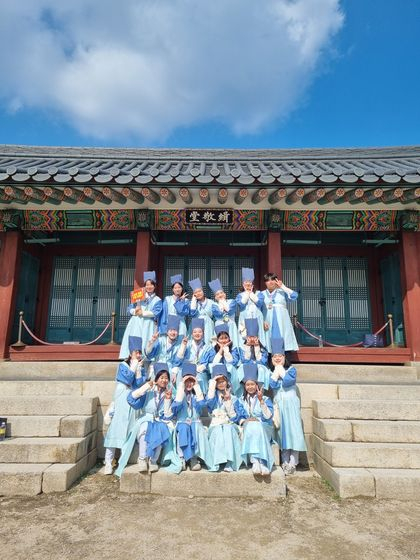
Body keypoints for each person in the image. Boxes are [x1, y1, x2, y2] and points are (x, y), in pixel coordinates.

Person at [115, 362, 179, 477]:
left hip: (160, 420)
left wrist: (168, 400)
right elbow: (131, 399)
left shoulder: (169, 393)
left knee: (162, 430)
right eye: (161, 377)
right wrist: (146, 386)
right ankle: (142, 459)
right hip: (146, 418)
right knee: (144, 429)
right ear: (156, 378)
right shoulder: (148, 391)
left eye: (166, 378)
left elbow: (168, 415)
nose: (164, 380)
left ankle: (153, 460)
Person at [103, 336, 146, 475]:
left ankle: (122, 460)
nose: (138, 355)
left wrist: (139, 370)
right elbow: (127, 379)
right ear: (130, 353)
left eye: (139, 352)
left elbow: (139, 384)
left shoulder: (140, 366)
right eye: (135, 352)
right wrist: (134, 366)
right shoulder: (123, 365)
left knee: (128, 428)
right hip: (122, 396)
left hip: (132, 400)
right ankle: (108, 462)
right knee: (115, 429)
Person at [269, 338, 307, 475]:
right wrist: (276, 370)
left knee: (294, 432)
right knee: (282, 432)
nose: (277, 358)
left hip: (291, 404)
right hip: (279, 404)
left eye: (280, 356)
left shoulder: (291, 370)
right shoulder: (271, 373)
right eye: (275, 356)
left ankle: (293, 462)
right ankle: (285, 461)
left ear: (285, 357)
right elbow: (272, 385)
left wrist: (280, 369)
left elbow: (287, 382)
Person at [171, 362, 212, 472]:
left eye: (191, 381)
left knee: (195, 427)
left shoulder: (197, 395)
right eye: (187, 381)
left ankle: (193, 458)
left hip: (195, 421)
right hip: (181, 421)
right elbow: (176, 406)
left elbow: (202, 405)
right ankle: (182, 457)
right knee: (184, 428)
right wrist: (181, 386)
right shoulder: (178, 394)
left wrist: (197, 386)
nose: (189, 384)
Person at [206, 364, 244, 472]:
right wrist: (212, 383)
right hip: (215, 424)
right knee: (218, 430)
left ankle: (230, 462)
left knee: (228, 429)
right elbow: (209, 405)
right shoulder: (212, 396)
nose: (221, 384)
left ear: (227, 381)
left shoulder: (234, 398)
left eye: (223, 381)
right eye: (218, 381)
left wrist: (228, 402)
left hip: (230, 424)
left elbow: (235, 417)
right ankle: (216, 461)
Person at [238, 362, 274, 477]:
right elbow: (240, 416)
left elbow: (268, 416)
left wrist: (261, 401)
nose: (250, 387)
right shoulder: (241, 400)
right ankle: (257, 461)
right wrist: (246, 420)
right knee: (252, 425)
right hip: (248, 426)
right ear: (245, 386)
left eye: (252, 384)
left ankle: (261, 462)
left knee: (256, 425)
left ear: (257, 385)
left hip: (264, 426)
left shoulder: (265, 398)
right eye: (247, 385)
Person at [119, 271, 162, 357]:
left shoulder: (158, 299)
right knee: (135, 341)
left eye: (151, 285)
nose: (149, 287)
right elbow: (129, 309)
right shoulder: (138, 295)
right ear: (144, 286)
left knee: (147, 341)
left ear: (155, 286)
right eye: (147, 285)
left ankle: (145, 360)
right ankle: (132, 358)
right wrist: (135, 311)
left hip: (148, 324)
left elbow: (156, 312)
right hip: (136, 322)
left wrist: (143, 313)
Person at [262, 272, 299, 353]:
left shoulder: (282, 292)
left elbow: (295, 296)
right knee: (269, 340)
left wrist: (283, 287)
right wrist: (262, 321)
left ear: (276, 281)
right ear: (265, 283)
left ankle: (284, 361)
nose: (270, 282)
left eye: (272, 280)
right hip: (268, 321)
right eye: (267, 280)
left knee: (283, 337)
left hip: (282, 321)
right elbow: (259, 309)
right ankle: (270, 360)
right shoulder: (262, 294)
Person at [145, 314, 183, 384]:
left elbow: (178, 361)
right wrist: (152, 342)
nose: (173, 333)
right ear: (167, 331)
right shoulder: (160, 340)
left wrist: (174, 371)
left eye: (175, 331)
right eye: (171, 330)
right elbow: (149, 354)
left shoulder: (179, 344)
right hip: (158, 366)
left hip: (171, 368)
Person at [176, 317, 211, 392]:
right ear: (191, 333)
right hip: (187, 370)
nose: (197, 334)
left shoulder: (208, 347)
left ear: (203, 333)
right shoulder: (187, 344)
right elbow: (178, 360)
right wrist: (183, 346)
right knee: (179, 374)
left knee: (200, 377)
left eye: (199, 332)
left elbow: (211, 362)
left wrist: (204, 366)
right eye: (195, 332)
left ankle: (202, 397)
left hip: (200, 371)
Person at [175, 277, 214, 344]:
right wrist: (193, 301)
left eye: (200, 291)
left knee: (208, 342)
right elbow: (189, 313)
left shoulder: (211, 302)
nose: (198, 293)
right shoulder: (192, 303)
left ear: (203, 291)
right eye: (196, 292)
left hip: (208, 326)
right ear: (194, 294)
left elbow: (215, 316)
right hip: (196, 325)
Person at [236, 267, 266, 349]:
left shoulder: (259, 293)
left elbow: (259, 303)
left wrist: (251, 294)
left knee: (258, 335)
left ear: (252, 284)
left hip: (257, 317)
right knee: (244, 335)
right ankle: (245, 354)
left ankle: (260, 354)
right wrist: (246, 294)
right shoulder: (240, 295)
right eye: (246, 282)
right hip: (244, 317)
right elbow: (241, 304)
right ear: (243, 284)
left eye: (249, 282)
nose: (248, 284)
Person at [207, 324, 241, 396]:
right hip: (216, 373)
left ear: (229, 338)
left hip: (229, 374)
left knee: (231, 368)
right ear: (217, 340)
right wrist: (220, 350)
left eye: (226, 338)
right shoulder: (212, 349)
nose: (224, 341)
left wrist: (226, 351)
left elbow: (233, 363)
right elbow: (213, 363)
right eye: (221, 338)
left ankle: (232, 392)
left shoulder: (234, 348)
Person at [209, 278, 239, 347]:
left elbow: (231, 312)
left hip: (231, 325)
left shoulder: (232, 301)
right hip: (220, 326)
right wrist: (222, 305)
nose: (220, 295)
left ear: (225, 294)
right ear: (215, 298)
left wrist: (223, 303)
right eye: (217, 294)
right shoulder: (214, 305)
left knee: (232, 342)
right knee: (220, 343)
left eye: (221, 293)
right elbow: (219, 314)